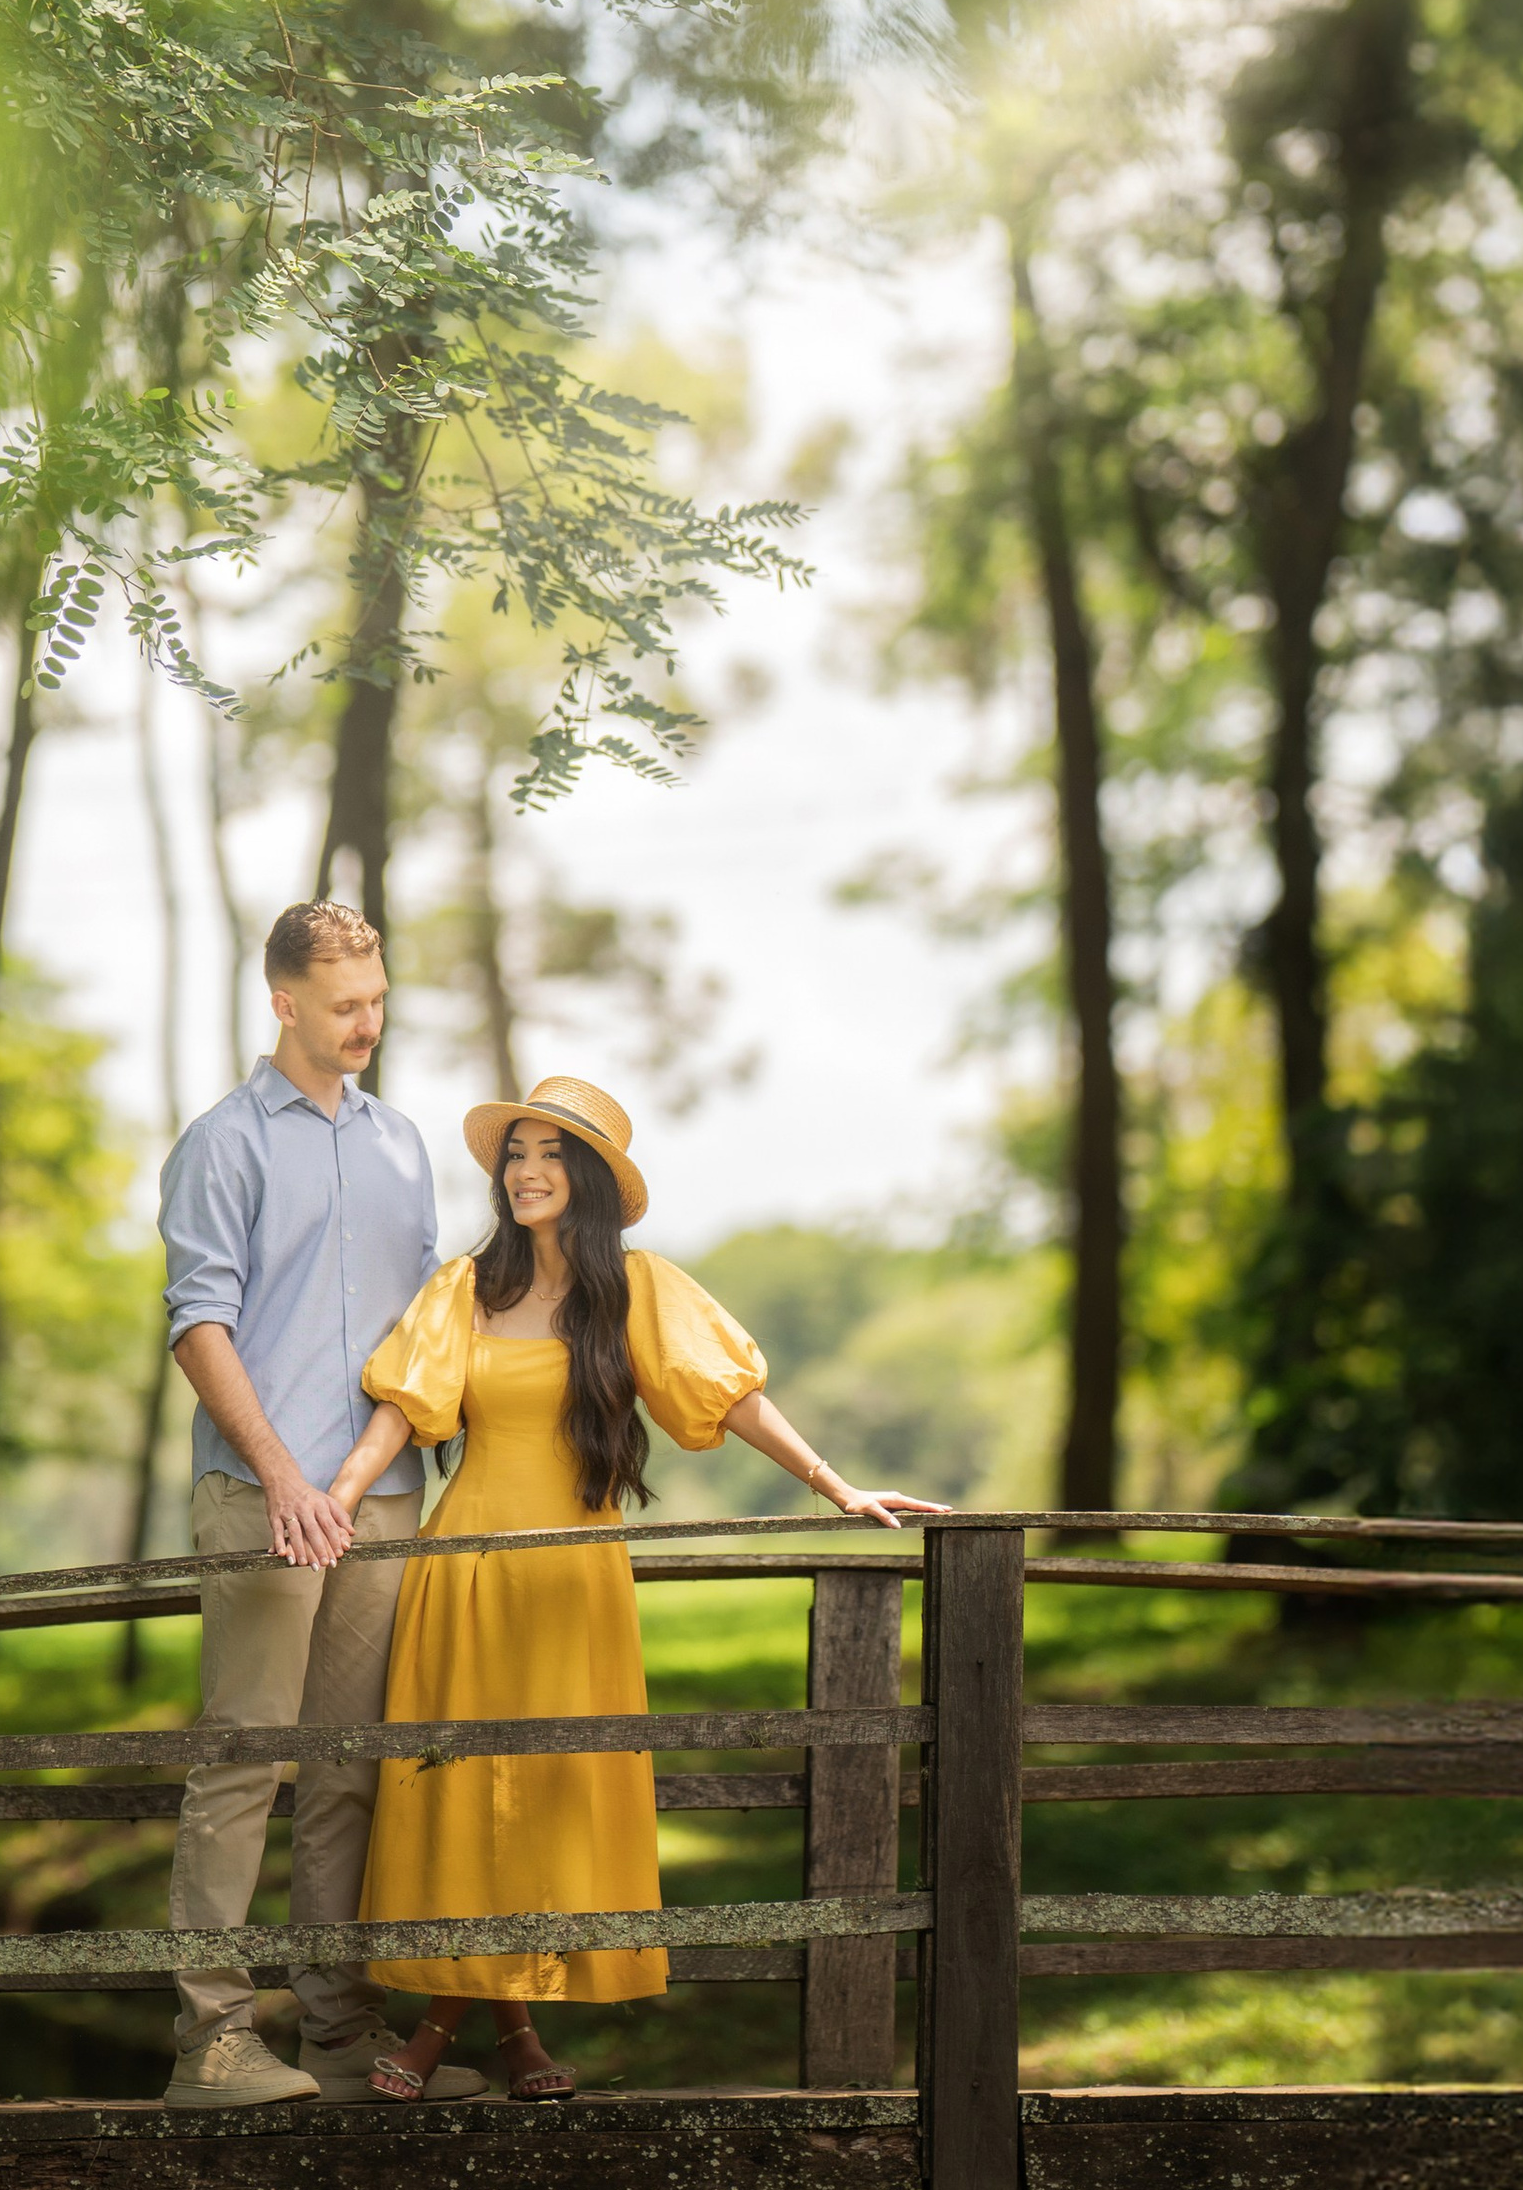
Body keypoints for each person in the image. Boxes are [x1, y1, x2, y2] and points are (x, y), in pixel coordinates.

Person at [327, 1073, 945, 2102]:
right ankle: (504, 2038)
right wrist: (334, 1500)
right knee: (464, 1792)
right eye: (515, 1154)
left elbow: (728, 1396)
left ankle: (443, 2031)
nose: (525, 1172)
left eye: (549, 1155)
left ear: (590, 1177)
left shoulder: (637, 1288)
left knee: (545, 1796)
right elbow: (403, 1406)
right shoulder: (464, 1287)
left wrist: (834, 1484)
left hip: (574, 1579)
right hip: (465, 1572)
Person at [153, 898, 489, 2112]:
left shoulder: (400, 1144)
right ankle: (211, 2041)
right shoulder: (223, 1143)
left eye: (379, 1001)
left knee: (350, 1771)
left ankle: (339, 2032)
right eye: (346, 1005)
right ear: (284, 1002)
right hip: (263, 1498)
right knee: (244, 1762)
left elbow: (428, 1333)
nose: (368, 1024)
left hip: (383, 1501)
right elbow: (199, 1324)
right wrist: (287, 1477)